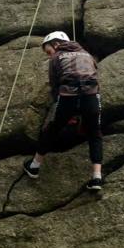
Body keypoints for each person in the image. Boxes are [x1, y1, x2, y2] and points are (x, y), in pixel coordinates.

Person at [23, 30, 104, 190]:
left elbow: (54, 84)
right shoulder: (87, 55)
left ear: (56, 44)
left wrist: (62, 106)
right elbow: (95, 75)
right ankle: (97, 177)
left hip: (69, 97)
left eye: (49, 51)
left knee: (53, 129)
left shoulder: (56, 57)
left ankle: (34, 166)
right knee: (95, 133)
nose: (49, 55)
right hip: (91, 96)